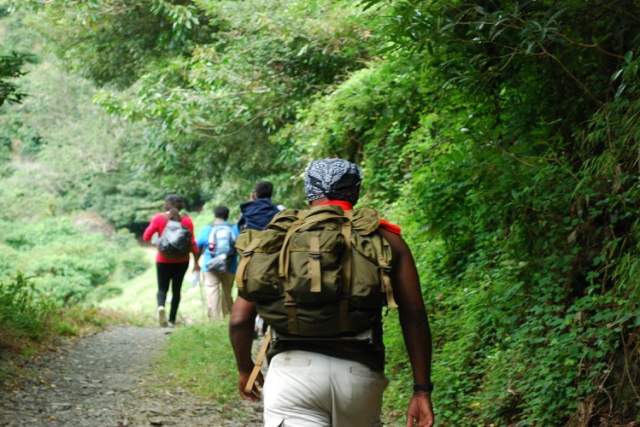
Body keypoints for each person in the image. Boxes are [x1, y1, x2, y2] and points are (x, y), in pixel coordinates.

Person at [229, 159, 434, 427]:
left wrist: (246, 368)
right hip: (359, 375)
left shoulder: (279, 237)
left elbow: (239, 320)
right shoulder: (385, 239)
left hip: (292, 374)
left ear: (309, 192)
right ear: (356, 191)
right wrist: (421, 390)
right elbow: (414, 316)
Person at [142, 194, 198, 327]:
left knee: (162, 289)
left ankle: (161, 307)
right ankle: (172, 320)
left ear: (167, 204)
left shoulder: (159, 218)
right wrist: (196, 261)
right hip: (182, 260)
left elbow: (145, 237)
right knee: (176, 290)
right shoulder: (187, 221)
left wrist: (158, 242)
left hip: (163, 259)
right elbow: (192, 243)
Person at [194, 205, 237, 321]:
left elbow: (197, 246)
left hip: (210, 265)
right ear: (227, 216)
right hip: (230, 265)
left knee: (212, 292)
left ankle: (215, 321)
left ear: (215, 215)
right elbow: (239, 245)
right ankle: (229, 319)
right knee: (227, 293)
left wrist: (196, 263)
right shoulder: (234, 228)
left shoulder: (207, 228)